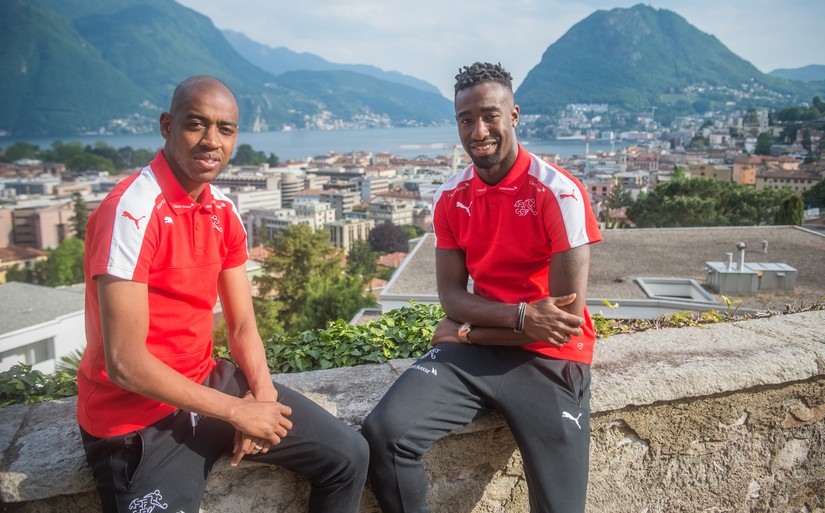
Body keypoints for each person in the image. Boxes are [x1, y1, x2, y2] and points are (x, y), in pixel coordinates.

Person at [77, 75, 368, 513]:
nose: (211, 140)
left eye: (225, 129)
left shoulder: (222, 211)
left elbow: (244, 326)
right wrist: (236, 412)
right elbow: (125, 363)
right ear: (166, 126)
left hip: (207, 384)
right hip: (135, 418)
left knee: (349, 456)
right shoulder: (130, 213)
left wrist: (262, 399)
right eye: (196, 124)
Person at [362, 62, 602, 512]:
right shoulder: (451, 197)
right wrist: (519, 317)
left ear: (514, 115)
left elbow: (562, 324)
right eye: (466, 119)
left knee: (560, 506)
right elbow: (451, 298)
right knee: (384, 435)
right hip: (479, 351)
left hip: (547, 360)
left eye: (490, 115)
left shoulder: (559, 194)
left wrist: (468, 331)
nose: (478, 130)